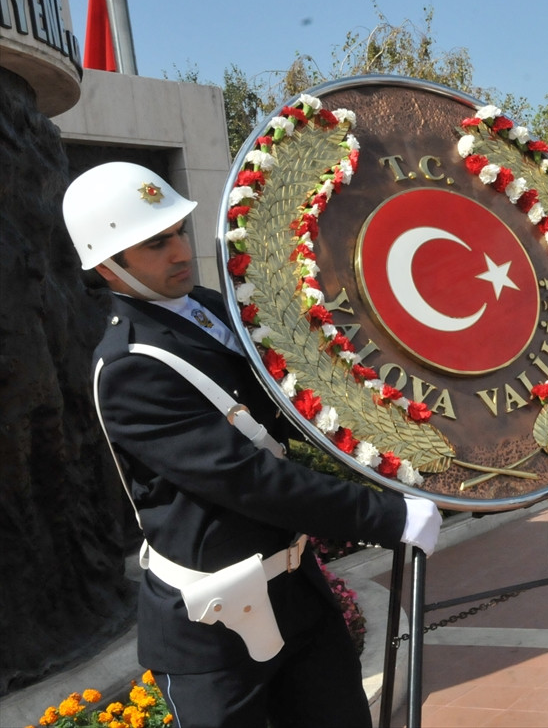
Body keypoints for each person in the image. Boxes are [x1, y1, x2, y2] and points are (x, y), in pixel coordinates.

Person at [62, 162, 443, 728]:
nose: (180, 251)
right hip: (213, 627)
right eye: (155, 244)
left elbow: (290, 404)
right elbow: (248, 478)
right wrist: (385, 515)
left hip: (296, 592)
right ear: (107, 266)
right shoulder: (130, 367)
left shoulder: (208, 308)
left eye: (178, 232)